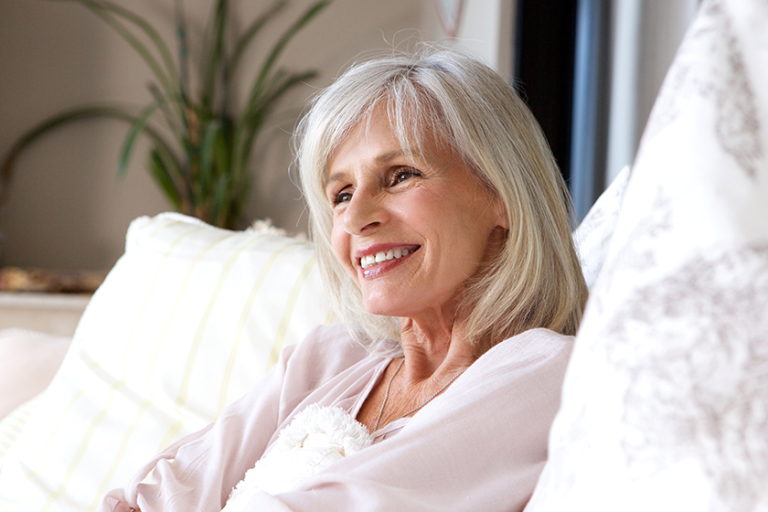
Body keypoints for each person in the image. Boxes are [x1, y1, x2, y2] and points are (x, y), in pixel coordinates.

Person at [98, 45, 588, 512]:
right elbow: (163, 492)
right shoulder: (328, 357)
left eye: (400, 175)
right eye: (341, 193)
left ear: (502, 194)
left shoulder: (547, 371)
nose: (356, 219)